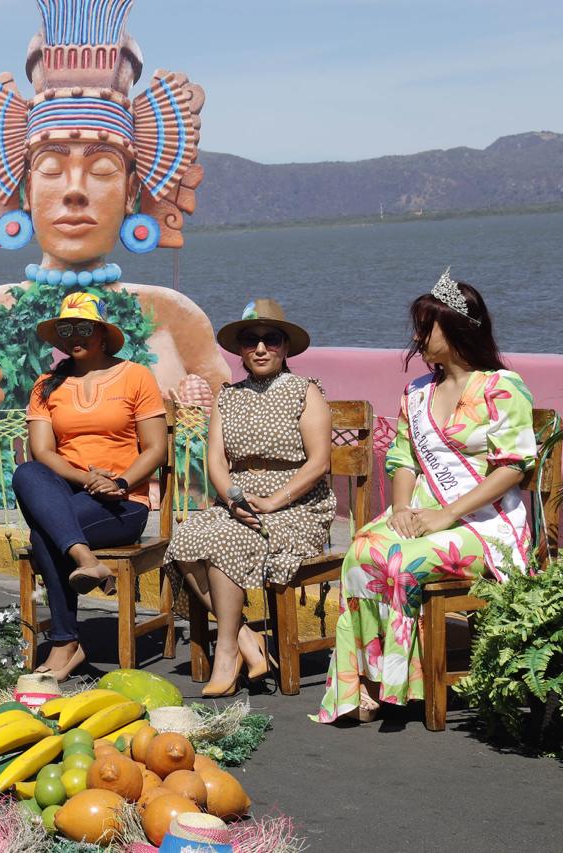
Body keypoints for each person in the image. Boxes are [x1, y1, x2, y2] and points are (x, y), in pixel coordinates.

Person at [0, 0, 229, 414]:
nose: (74, 191)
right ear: (26, 190)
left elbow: (231, 437)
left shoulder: (176, 318)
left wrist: (202, 414)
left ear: (131, 192)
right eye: (51, 167)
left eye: (102, 169)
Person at [317, 272, 536, 723]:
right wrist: (400, 510)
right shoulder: (417, 392)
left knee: (401, 562)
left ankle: (404, 684)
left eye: (426, 327)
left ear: (456, 329)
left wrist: (445, 515)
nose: (417, 337)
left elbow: (513, 467)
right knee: (360, 553)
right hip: (421, 510)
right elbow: (402, 457)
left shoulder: (501, 388)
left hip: (484, 523)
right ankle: (367, 685)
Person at [166, 299, 335, 697]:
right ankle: (245, 640)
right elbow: (216, 462)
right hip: (240, 500)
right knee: (186, 540)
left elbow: (319, 463)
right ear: (240, 349)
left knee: (226, 542)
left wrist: (275, 500)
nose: (260, 349)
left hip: (297, 505)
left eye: (270, 340)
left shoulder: (305, 391)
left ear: (285, 347)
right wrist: (233, 499)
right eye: (250, 341)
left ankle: (226, 653)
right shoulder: (228, 396)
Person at [12, 292, 169, 682]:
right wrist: (86, 479)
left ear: (101, 333)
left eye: (84, 327)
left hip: (122, 502)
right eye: (66, 329)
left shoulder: (135, 376)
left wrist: (118, 481)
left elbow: (156, 448)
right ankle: (86, 560)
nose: (74, 336)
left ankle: (66, 643)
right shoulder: (47, 385)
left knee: (44, 532)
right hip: (71, 494)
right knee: (26, 474)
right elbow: (43, 451)